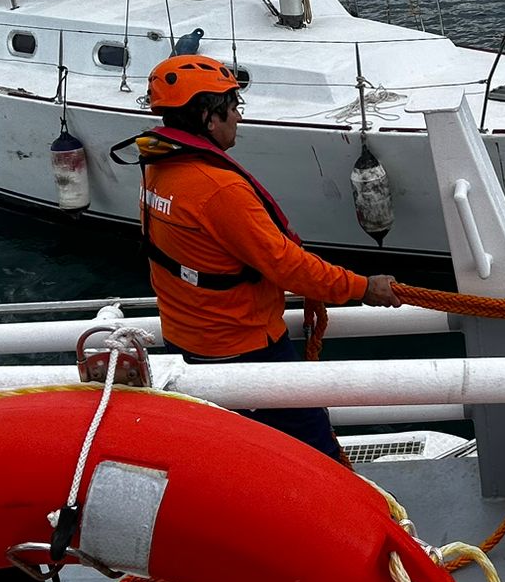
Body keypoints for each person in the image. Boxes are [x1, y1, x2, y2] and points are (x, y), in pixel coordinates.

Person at [112, 54, 400, 460]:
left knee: (244, 451)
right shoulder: (217, 189)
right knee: (315, 451)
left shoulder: (159, 167)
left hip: (189, 339)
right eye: (233, 107)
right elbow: (287, 266)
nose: (239, 119)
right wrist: (364, 287)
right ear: (210, 118)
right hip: (243, 345)